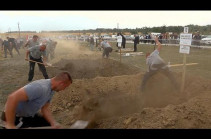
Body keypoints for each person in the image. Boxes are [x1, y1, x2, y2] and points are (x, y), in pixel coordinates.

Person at [1, 71, 72, 129]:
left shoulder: (52, 90)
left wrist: (53, 123)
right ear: (61, 84)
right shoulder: (40, 87)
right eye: (65, 87)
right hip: (12, 117)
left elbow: (45, 109)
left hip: (27, 116)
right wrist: (10, 124)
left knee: (48, 124)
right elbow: (12, 98)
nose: (63, 90)